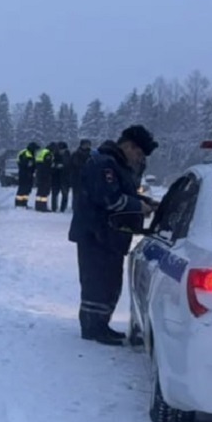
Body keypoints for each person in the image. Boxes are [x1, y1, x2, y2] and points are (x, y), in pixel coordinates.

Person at [68, 124, 159, 345]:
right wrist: (139, 206)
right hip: (96, 234)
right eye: (138, 153)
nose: (138, 158)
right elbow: (110, 199)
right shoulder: (104, 164)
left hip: (109, 235)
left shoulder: (117, 165)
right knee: (97, 282)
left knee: (108, 281)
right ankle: (93, 327)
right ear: (127, 146)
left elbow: (124, 193)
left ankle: (101, 325)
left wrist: (146, 202)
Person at [64, 138, 92, 212]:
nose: (87, 146)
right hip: (77, 177)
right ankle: (76, 207)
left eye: (88, 144)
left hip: (87, 177)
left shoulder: (91, 154)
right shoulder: (76, 154)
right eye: (86, 144)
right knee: (76, 194)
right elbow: (75, 164)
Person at [15, 142, 38, 209]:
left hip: (27, 174)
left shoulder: (26, 153)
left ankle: (24, 203)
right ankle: (19, 203)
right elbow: (27, 165)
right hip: (24, 174)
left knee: (27, 189)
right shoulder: (26, 154)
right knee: (23, 189)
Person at [49, 142, 71, 212]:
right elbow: (51, 165)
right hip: (56, 178)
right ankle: (54, 208)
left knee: (65, 194)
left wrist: (63, 167)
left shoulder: (68, 156)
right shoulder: (55, 155)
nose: (61, 151)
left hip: (65, 178)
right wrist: (55, 167)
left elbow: (70, 166)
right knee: (55, 194)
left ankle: (63, 208)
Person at [33, 141, 53, 212]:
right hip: (45, 175)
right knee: (44, 191)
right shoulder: (48, 154)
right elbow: (48, 164)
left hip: (40, 174)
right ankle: (43, 206)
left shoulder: (41, 152)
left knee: (40, 191)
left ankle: (38, 205)